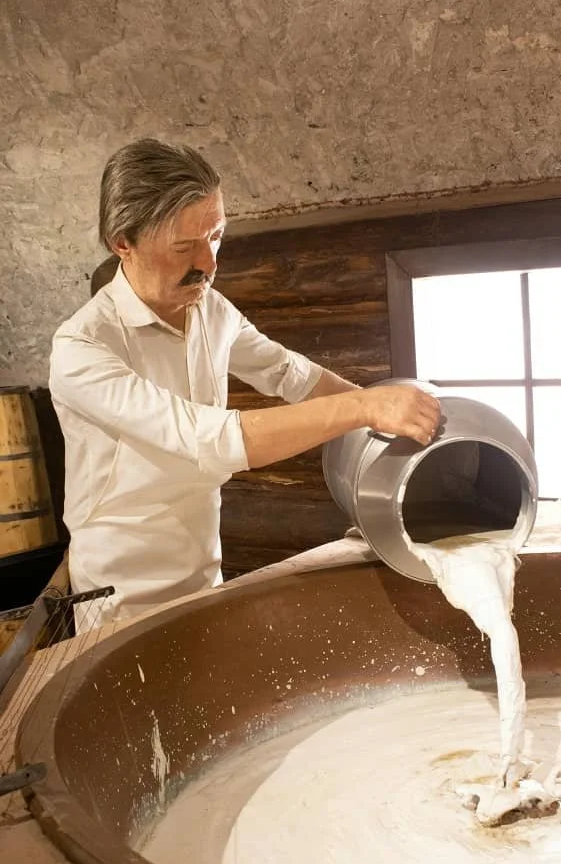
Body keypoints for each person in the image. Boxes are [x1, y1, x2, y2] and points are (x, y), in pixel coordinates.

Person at [50, 139, 440, 631]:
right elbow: (202, 438)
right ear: (122, 242)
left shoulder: (211, 311)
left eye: (215, 237)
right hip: (120, 597)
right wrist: (366, 409)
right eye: (185, 246)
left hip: (203, 570)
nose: (210, 263)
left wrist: (405, 418)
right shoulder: (82, 347)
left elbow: (291, 375)